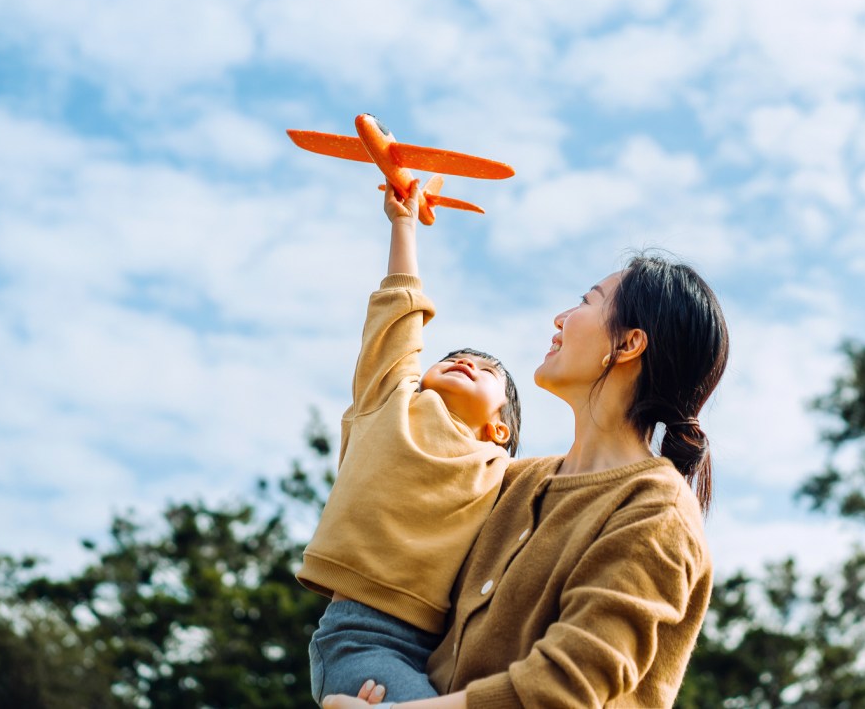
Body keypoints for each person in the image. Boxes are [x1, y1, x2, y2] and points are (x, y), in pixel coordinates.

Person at [326, 251, 728, 709]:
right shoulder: (509, 481)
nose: (560, 318)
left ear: (628, 345)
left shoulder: (656, 510)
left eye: (586, 301)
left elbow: (564, 688)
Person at [299, 179, 522, 706]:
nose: (468, 361)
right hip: (359, 637)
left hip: (442, 651)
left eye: (489, 371)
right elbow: (397, 315)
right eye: (454, 357)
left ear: (500, 429)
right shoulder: (391, 402)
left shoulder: (499, 470)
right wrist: (403, 224)